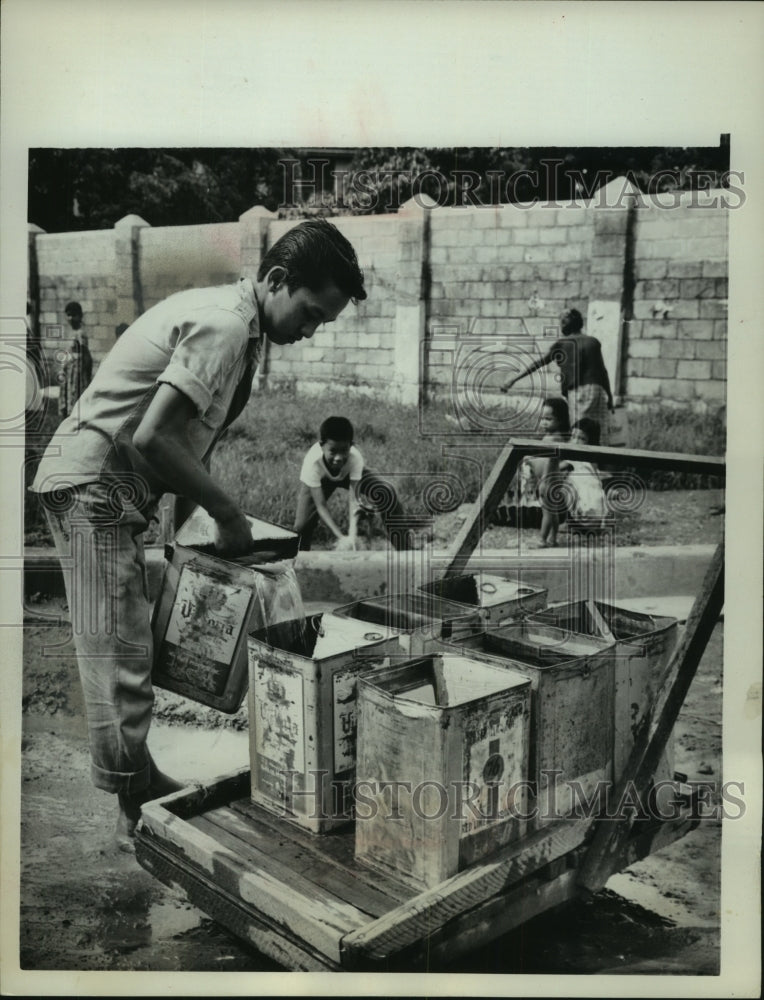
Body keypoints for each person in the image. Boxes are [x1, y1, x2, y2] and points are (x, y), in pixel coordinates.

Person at [30, 220, 366, 850]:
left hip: (111, 488)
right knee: (118, 647)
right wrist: (229, 514)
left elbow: (182, 440)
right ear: (276, 280)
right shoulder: (228, 325)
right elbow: (151, 435)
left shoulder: (244, 324)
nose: (312, 330)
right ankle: (135, 801)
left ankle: (135, 781)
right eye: (312, 312)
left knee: (132, 634)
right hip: (94, 483)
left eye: (325, 322)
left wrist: (184, 533)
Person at [294, 415, 409, 551]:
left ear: (351, 446)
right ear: (321, 446)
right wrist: (341, 537)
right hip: (321, 478)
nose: (338, 457)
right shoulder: (312, 463)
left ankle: (404, 550)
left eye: (344, 451)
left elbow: (354, 500)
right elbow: (321, 506)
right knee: (301, 526)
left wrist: (352, 535)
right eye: (333, 451)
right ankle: (301, 560)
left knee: (386, 491)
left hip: (347, 473)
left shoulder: (355, 458)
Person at [501, 308, 614, 439]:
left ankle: (578, 457)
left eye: (562, 322)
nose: (561, 326)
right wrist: (610, 397)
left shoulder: (563, 344)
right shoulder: (593, 342)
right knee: (599, 427)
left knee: (579, 428)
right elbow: (603, 372)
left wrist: (513, 379)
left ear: (566, 324)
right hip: (598, 391)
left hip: (578, 392)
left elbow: (539, 363)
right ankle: (601, 456)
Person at [561, 417, 610, 530]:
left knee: (563, 480)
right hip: (593, 514)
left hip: (586, 511)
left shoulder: (578, 458)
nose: (575, 441)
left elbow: (559, 467)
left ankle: (569, 521)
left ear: (590, 442)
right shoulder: (592, 460)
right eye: (572, 436)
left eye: (581, 438)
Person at [59, 301, 94, 417]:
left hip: (77, 369)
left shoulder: (81, 333)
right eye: (68, 315)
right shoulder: (70, 332)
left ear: (80, 316)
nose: (70, 318)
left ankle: (75, 416)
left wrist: (85, 373)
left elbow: (85, 353)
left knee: (76, 392)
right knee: (68, 392)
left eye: (74, 315)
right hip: (69, 368)